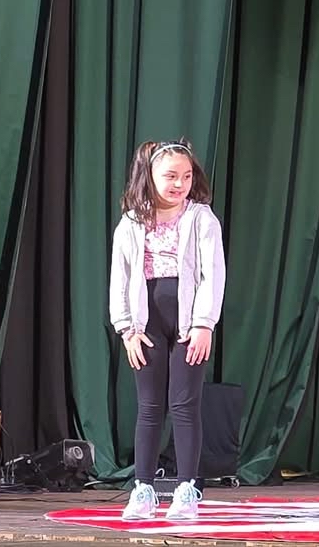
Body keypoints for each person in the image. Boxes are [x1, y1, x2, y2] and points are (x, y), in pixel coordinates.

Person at [108, 138, 227, 521]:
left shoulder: (201, 218)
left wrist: (204, 324)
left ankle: (186, 488)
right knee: (149, 406)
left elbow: (212, 274)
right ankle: (143, 489)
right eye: (171, 176)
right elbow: (120, 277)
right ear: (150, 176)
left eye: (186, 176)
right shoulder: (131, 222)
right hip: (147, 323)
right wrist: (127, 329)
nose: (179, 184)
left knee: (185, 405)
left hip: (189, 322)